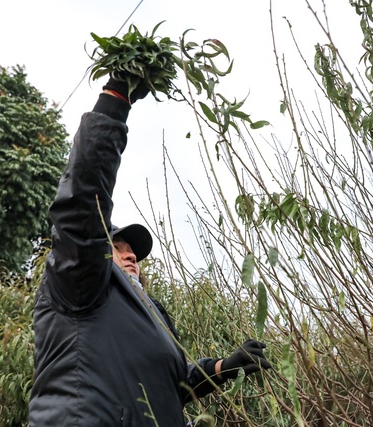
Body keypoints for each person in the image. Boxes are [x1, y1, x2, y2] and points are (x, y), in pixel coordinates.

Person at [29, 71, 271, 426]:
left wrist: (221, 368)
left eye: (133, 252)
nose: (130, 255)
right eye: (117, 246)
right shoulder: (81, 285)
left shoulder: (148, 313)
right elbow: (82, 202)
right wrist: (115, 100)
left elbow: (172, 382)